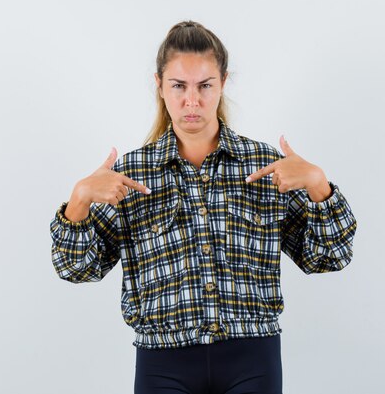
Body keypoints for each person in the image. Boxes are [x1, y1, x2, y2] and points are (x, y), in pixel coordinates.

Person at [50, 20, 357, 394]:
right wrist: (79, 198)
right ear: (159, 86)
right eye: (179, 85)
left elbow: (328, 257)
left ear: (223, 83)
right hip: (162, 363)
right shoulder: (130, 175)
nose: (191, 101)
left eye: (204, 86)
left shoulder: (263, 166)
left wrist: (318, 185)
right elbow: (77, 268)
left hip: (253, 359)